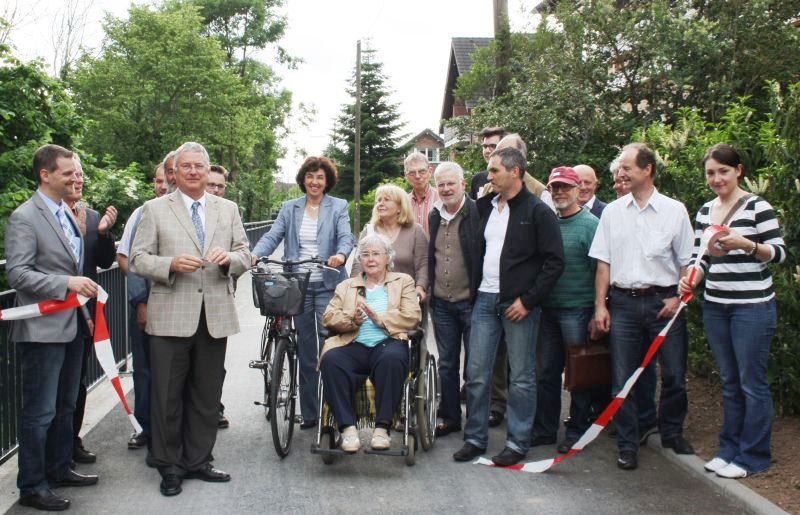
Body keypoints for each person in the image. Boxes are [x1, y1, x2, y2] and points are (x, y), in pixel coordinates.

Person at [130, 141, 251, 496]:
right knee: (166, 394)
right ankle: (169, 465)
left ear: (207, 169)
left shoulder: (227, 209)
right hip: (170, 315)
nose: (194, 171)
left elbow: (246, 253)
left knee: (206, 394)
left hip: (214, 315)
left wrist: (229, 258)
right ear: (175, 172)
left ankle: (199, 460)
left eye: (200, 166)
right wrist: (168, 264)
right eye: (187, 166)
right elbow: (137, 259)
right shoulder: (153, 209)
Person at [679, 144, 786, 479]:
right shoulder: (705, 210)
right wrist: (689, 281)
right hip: (716, 306)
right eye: (710, 173)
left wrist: (748, 245)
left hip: (752, 308)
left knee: (751, 383)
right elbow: (702, 258)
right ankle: (729, 449)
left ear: (738, 170)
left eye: (723, 171)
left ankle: (752, 456)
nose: (716, 178)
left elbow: (780, 254)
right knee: (728, 380)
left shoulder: (758, 207)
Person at [453, 147, 564, 467]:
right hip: (485, 300)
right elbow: (475, 248)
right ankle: (474, 439)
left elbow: (554, 263)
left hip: (519, 305)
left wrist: (528, 300)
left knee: (522, 377)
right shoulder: (485, 206)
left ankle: (517, 442)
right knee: (475, 373)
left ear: (515, 172)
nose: (487, 177)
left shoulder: (538, 211)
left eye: (494, 171)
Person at [590, 143, 695, 471]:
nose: (620, 173)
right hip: (623, 304)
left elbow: (687, 262)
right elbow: (603, 264)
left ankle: (671, 432)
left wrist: (678, 298)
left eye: (626, 167)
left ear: (647, 170)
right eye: (620, 167)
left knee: (675, 373)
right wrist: (600, 307)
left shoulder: (674, 211)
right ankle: (627, 443)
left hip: (665, 303)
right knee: (623, 379)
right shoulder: (612, 213)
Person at [6, 144, 100, 511]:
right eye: (66, 173)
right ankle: (32, 485)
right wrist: (66, 283)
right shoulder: (25, 217)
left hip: (73, 325)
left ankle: (59, 468)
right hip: (42, 330)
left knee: (65, 404)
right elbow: (17, 273)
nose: (74, 178)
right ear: (45, 175)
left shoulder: (66, 213)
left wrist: (82, 306)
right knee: (40, 411)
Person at [252, 156, 355, 428]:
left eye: (320, 177)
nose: (314, 181)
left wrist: (341, 255)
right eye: (310, 176)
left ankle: (333, 410)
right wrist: (255, 254)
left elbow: (346, 236)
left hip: (327, 284)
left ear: (327, 181)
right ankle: (311, 414)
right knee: (307, 351)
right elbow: (273, 236)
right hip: (297, 285)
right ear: (303, 179)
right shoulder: (290, 208)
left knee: (329, 348)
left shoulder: (338, 206)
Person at [320, 233, 421, 452]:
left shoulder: (403, 281)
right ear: (360, 260)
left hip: (388, 341)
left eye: (376, 254)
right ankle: (348, 429)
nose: (371, 259)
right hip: (353, 343)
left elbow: (413, 315)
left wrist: (380, 319)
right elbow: (328, 316)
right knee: (331, 359)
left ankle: (382, 428)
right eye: (365, 254)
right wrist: (351, 320)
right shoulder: (346, 286)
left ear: (388, 258)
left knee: (393, 359)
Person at [532, 167, 598, 453]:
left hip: (578, 309)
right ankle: (546, 429)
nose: (560, 193)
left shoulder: (591, 224)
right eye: (555, 188)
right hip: (548, 310)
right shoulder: (547, 222)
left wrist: (600, 309)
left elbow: (601, 271)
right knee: (547, 372)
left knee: (579, 373)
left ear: (577, 189)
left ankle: (577, 429)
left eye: (565, 187)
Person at [65, 156, 118, 466]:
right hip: (57, 311)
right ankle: (56, 451)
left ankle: (72, 442)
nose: (79, 179)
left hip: (85, 313)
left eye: (82, 174)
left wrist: (103, 232)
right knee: (57, 389)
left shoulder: (92, 215)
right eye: (72, 174)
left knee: (78, 382)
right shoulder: (53, 216)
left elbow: (103, 260)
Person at [116, 161, 169, 453]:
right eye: (159, 180)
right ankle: (144, 426)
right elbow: (127, 258)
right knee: (145, 370)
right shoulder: (142, 212)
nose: (163, 185)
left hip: (177, 308)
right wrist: (141, 301)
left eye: (168, 179)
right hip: (148, 304)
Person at [427, 162, 481, 437]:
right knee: (447, 363)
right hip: (441, 303)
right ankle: (449, 417)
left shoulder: (478, 213)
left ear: (463, 183)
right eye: (441, 184)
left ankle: (474, 420)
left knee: (474, 365)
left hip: (470, 302)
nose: (446, 189)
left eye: (451, 183)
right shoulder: (434, 215)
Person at [351, 184, 428, 302]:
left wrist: (420, 287)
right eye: (378, 200)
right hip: (373, 298)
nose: (380, 204)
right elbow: (358, 263)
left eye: (386, 200)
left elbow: (423, 265)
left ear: (399, 207)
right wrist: (354, 290)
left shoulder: (415, 231)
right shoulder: (369, 231)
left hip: (406, 297)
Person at [206, 163, 231, 429]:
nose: (215, 190)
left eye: (219, 186)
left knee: (213, 367)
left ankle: (213, 408)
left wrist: (233, 260)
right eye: (210, 184)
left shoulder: (229, 211)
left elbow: (241, 251)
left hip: (218, 299)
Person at [404, 152, 438, 237]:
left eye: (422, 171)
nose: (417, 176)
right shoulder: (402, 203)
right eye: (412, 173)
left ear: (430, 171)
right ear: (406, 175)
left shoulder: (442, 199)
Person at [468, 126, 507, 200]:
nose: (487, 151)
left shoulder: (515, 179)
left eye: (493, 146)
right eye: (485, 146)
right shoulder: (478, 179)